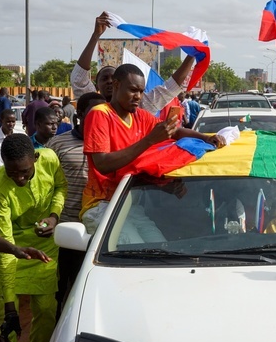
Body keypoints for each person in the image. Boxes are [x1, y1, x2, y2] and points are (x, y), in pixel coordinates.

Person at [81, 63, 226, 234]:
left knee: (155, 241)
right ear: (116, 85)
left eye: (141, 92)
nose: (138, 97)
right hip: (101, 205)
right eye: (133, 90)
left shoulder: (140, 116)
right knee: (133, 251)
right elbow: (103, 164)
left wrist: (206, 138)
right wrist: (149, 141)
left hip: (128, 203)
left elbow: (175, 131)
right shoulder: (100, 114)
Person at [0, 133, 67, 342]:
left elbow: (61, 187)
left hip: (45, 247)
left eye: (24, 172)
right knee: (6, 319)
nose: (19, 179)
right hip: (12, 248)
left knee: (45, 311)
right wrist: (11, 307)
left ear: (35, 158)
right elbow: (5, 246)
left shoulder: (49, 159)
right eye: (12, 173)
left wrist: (54, 216)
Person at [46, 91, 106, 319]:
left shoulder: (111, 142)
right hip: (66, 227)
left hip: (99, 228)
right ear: (79, 113)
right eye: (95, 112)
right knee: (62, 286)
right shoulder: (58, 143)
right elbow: (46, 182)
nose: (102, 117)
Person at [71, 11, 196, 112]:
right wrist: (95, 35)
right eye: (104, 79)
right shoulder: (91, 103)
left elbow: (169, 88)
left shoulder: (137, 107)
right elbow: (79, 78)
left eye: (113, 78)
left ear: (119, 84)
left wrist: (194, 52)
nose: (109, 81)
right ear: (96, 85)